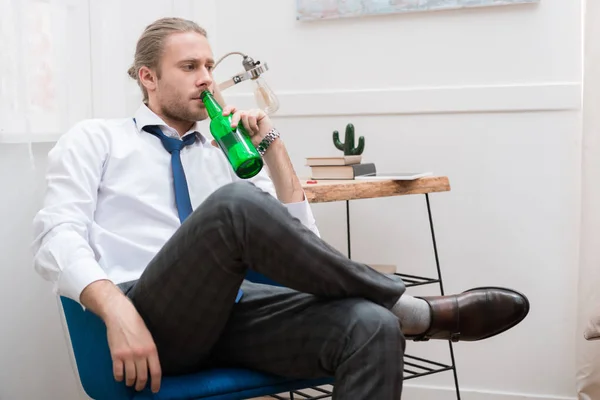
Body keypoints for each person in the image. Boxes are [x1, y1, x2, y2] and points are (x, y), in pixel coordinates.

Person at [32, 17, 529, 399]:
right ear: (148, 78)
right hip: (150, 314)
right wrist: (116, 308)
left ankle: (390, 314)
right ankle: (411, 310)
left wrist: (270, 144)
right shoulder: (95, 139)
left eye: (209, 66)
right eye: (190, 68)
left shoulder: (226, 149)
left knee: (371, 328)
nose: (208, 80)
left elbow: (298, 239)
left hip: (233, 311)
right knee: (233, 205)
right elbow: (56, 235)